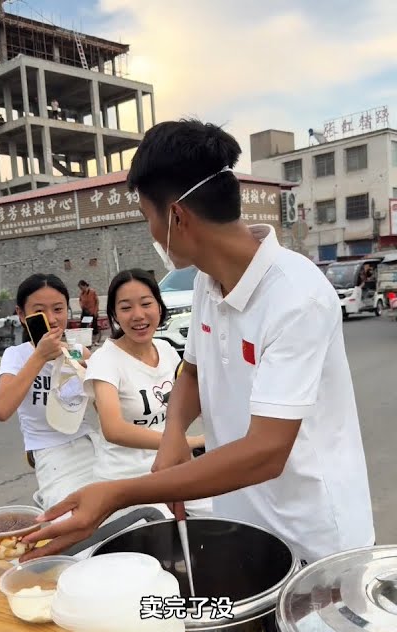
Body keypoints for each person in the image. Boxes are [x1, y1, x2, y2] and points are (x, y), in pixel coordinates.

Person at [23, 119, 375, 564]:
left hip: (316, 535)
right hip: (243, 514)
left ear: (176, 216)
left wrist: (117, 494)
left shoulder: (296, 297)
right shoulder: (210, 281)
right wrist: (172, 434)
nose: (150, 230)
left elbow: (267, 451)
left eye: (147, 216)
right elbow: (193, 368)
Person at [84, 270, 211, 517]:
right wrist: (189, 442)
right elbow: (113, 429)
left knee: (224, 515)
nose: (138, 315)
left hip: (175, 467)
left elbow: (187, 403)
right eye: (126, 307)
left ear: (159, 307)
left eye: (146, 304)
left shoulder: (166, 350)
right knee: (157, 536)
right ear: (114, 315)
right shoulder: (104, 360)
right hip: (127, 478)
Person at [0, 274, 97, 509]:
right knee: (68, 516)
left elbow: (105, 405)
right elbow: (1, 409)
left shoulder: (78, 352)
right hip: (48, 450)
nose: (51, 319)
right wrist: (40, 355)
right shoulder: (17, 355)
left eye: (58, 309)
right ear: (22, 315)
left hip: (88, 443)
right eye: (40, 311)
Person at [77, 280, 100, 344]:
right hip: (85, 311)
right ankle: (85, 339)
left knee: (94, 326)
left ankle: (95, 340)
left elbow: (97, 301)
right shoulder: (82, 294)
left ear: (85, 286)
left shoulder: (92, 292)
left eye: (81, 288)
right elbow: (80, 301)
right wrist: (82, 307)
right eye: (80, 288)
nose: (81, 289)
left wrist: (96, 310)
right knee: (83, 326)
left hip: (93, 311)